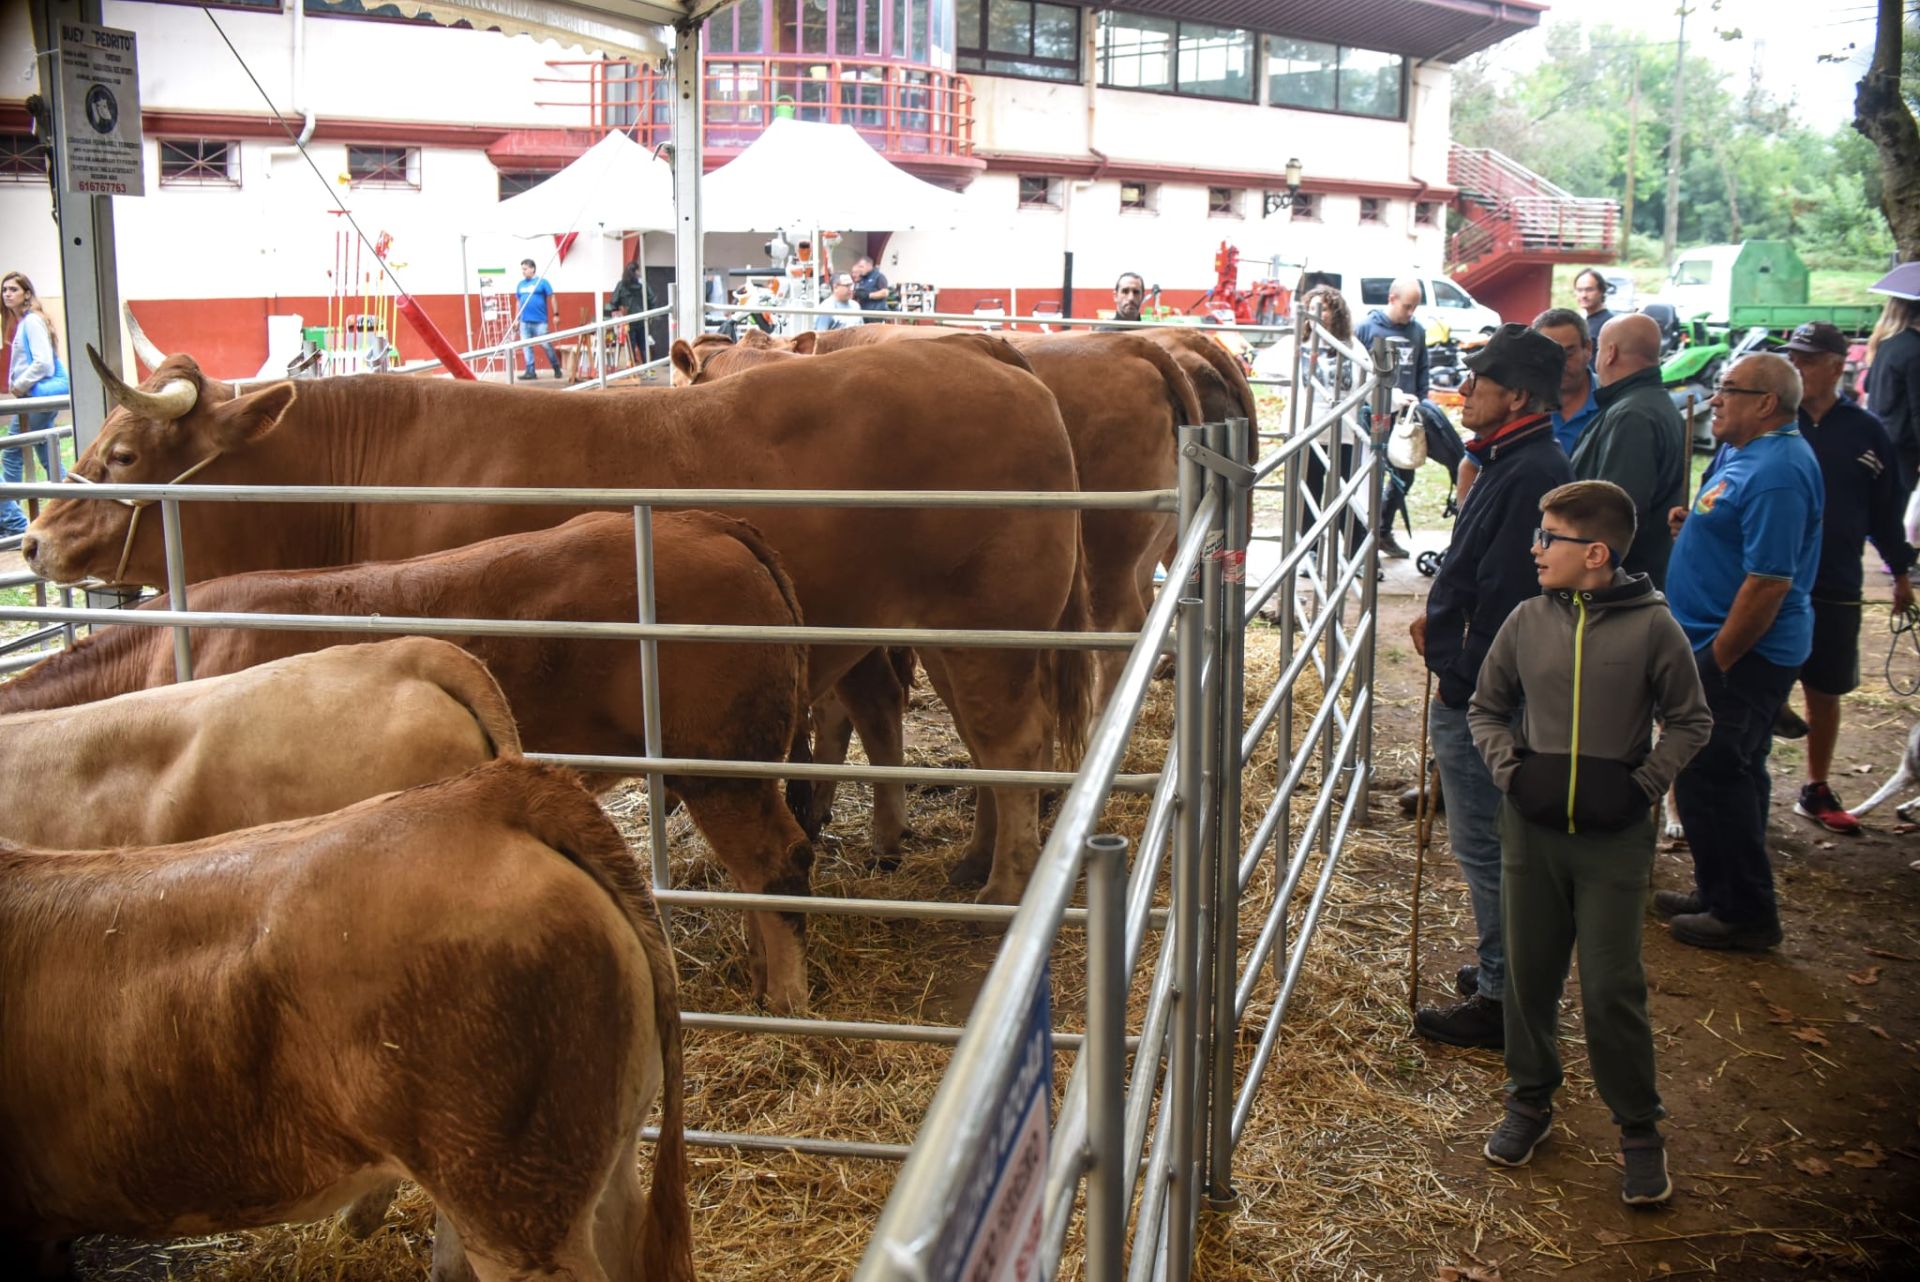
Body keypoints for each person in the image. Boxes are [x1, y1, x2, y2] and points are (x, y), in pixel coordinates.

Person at [1468, 479, 1710, 1205]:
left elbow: (1691, 721)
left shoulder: (1653, 629)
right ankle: (1529, 1098)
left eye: (1550, 538)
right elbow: (1487, 708)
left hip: (1612, 842)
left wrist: (1642, 786)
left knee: (1611, 987)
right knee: (1527, 977)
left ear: (1596, 553)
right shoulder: (1524, 620)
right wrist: (1512, 774)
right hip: (1532, 833)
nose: (1535, 549)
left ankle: (1639, 1127)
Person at [1410, 323, 1573, 1048]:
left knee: (1488, 843)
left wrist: (1460, 677)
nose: (1466, 389)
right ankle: (1503, 969)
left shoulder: (1530, 470)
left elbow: (1510, 597)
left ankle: (1508, 997)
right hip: (1481, 682)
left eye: (1481, 380)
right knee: (1492, 841)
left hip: (1483, 693)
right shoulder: (1512, 458)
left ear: (1516, 394)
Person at [1662, 353, 1822, 952]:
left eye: (1729, 389)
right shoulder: (1740, 452)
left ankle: (1745, 913)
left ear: (1767, 404)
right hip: (1716, 642)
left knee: (1714, 772)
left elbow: (1770, 581)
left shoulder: (1779, 470)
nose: (1714, 399)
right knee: (1728, 770)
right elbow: (1733, 529)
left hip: (1743, 653)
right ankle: (1720, 888)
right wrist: (1695, 525)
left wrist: (1717, 660)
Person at [1774, 322, 1915, 833]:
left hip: (1834, 579)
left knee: (1826, 685)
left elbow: (1886, 507)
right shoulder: (1772, 419)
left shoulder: (1865, 430)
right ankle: (1746, 775)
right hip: (1771, 577)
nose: (1798, 368)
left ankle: (1814, 785)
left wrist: (1899, 570)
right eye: (1793, 357)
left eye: (1808, 360)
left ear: (1837, 366)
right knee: (1755, 682)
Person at [1573, 313, 1690, 588]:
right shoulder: (1652, 404)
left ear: (1610, 353)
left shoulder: (1632, 415)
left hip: (1618, 586)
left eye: (1599, 349)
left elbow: (1616, 513)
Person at [1356, 277, 1429, 559]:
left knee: (1403, 477)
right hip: (1374, 415)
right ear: (1392, 298)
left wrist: (1423, 400)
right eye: (1407, 306)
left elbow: (1423, 367)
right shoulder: (1366, 328)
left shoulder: (1417, 331)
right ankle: (1363, 541)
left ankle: (1383, 530)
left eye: (1415, 307)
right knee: (1370, 478)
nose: (1410, 313)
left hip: (1405, 418)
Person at [3, 270, 65, 538]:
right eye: (4, 290)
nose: (7, 294)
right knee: (46, 453)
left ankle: (11, 517)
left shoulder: (31, 322)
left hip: (35, 399)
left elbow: (43, 363)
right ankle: (72, 503)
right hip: (36, 399)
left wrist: (19, 385)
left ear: (27, 293)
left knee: (11, 452)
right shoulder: (24, 322)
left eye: (13, 290)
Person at [1866, 293, 1920, 489]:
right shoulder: (1915, 350)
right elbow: (1917, 410)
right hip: (1906, 451)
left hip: (1881, 441)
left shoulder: (1887, 344)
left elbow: (1867, 385)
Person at [1531, 308, 1600, 455]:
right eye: (1550, 355)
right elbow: (1474, 465)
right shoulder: (1519, 404)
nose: (1560, 363)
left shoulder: (1612, 402)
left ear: (1588, 349)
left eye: (1568, 353)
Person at [514, 258, 561, 381]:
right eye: (522, 269)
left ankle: (556, 367)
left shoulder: (542, 282)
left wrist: (556, 314)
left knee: (546, 345)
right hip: (525, 321)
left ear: (532, 269)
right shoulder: (520, 284)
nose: (523, 272)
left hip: (540, 321)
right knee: (526, 346)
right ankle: (530, 371)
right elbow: (518, 303)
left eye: (525, 269)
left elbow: (552, 297)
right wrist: (516, 319)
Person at [610, 259, 650, 365]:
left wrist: (618, 309)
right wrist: (650, 315)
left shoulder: (621, 285)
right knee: (643, 347)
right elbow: (651, 299)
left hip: (628, 320)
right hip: (642, 319)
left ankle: (632, 369)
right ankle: (648, 368)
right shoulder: (642, 285)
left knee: (630, 347)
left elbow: (613, 302)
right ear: (636, 271)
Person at [1573, 268, 1615, 344]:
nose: (1583, 295)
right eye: (1579, 290)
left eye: (1589, 290)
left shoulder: (1609, 324)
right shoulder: (1584, 322)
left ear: (1601, 291)